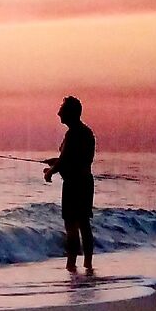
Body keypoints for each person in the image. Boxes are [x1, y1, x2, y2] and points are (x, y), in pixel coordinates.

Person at [42, 96, 96, 272]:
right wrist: (55, 163)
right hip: (85, 182)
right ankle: (87, 265)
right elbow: (73, 159)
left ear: (70, 113)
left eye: (62, 110)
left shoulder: (73, 134)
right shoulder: (86, 132)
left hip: (74, 185)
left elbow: (66, 160)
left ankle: (71, 265)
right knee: (84, 225)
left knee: (72, 226)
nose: (59, 113)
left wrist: (50, 172)